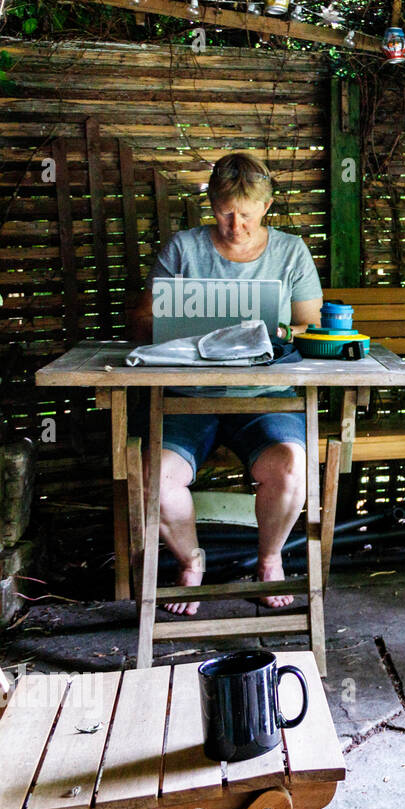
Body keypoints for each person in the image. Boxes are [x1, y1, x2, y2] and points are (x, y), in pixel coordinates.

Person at [125, 152, 323, 615]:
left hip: (267, 396)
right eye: (225, 213)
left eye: (248, 215)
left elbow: (310, 327)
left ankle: (269, 560)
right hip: (186, 397)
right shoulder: (183, 248)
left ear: (267, 207)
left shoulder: (290, 251)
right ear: (211, 204)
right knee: (155, 477)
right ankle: (192, 558)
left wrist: (265, 333)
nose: (236, 225)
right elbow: (137, 323)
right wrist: (173, 321)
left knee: (293, 466)